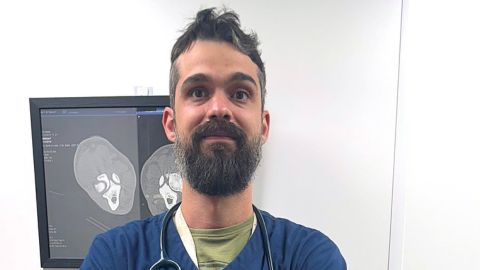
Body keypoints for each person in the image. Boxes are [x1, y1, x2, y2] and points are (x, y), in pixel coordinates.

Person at [81, 7, 346, 270]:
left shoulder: (310, 257)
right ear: (170, 123)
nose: (219, 108)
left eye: (240, 93)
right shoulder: (115, 256)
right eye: (198, 91)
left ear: (264, 126)